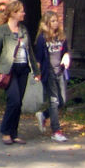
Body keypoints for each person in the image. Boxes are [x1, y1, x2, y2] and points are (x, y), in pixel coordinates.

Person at [0, 0, 39, 145]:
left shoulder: (23, 29)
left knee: (19, 103)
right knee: (14, 100)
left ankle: (14, 133)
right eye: (21, 11)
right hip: (8, 70)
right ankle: (5, 131)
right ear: (13, 13)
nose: (24, 13)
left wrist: (36, 71)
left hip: (23, 68)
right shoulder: (2, 30)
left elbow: (30, 51)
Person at [33, 11, 70, 142]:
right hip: (48, 73)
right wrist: (37, 73)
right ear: (46, 23)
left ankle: (43, 114)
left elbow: (66, 51)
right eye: (52, 21)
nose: (55, 23)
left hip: (60, 72)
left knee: (62, 101)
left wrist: (66, 57)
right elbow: (38, 58)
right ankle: (56, 131)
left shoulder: (61, 36)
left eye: (56, 20)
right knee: (54, 101)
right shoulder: (42, 38)